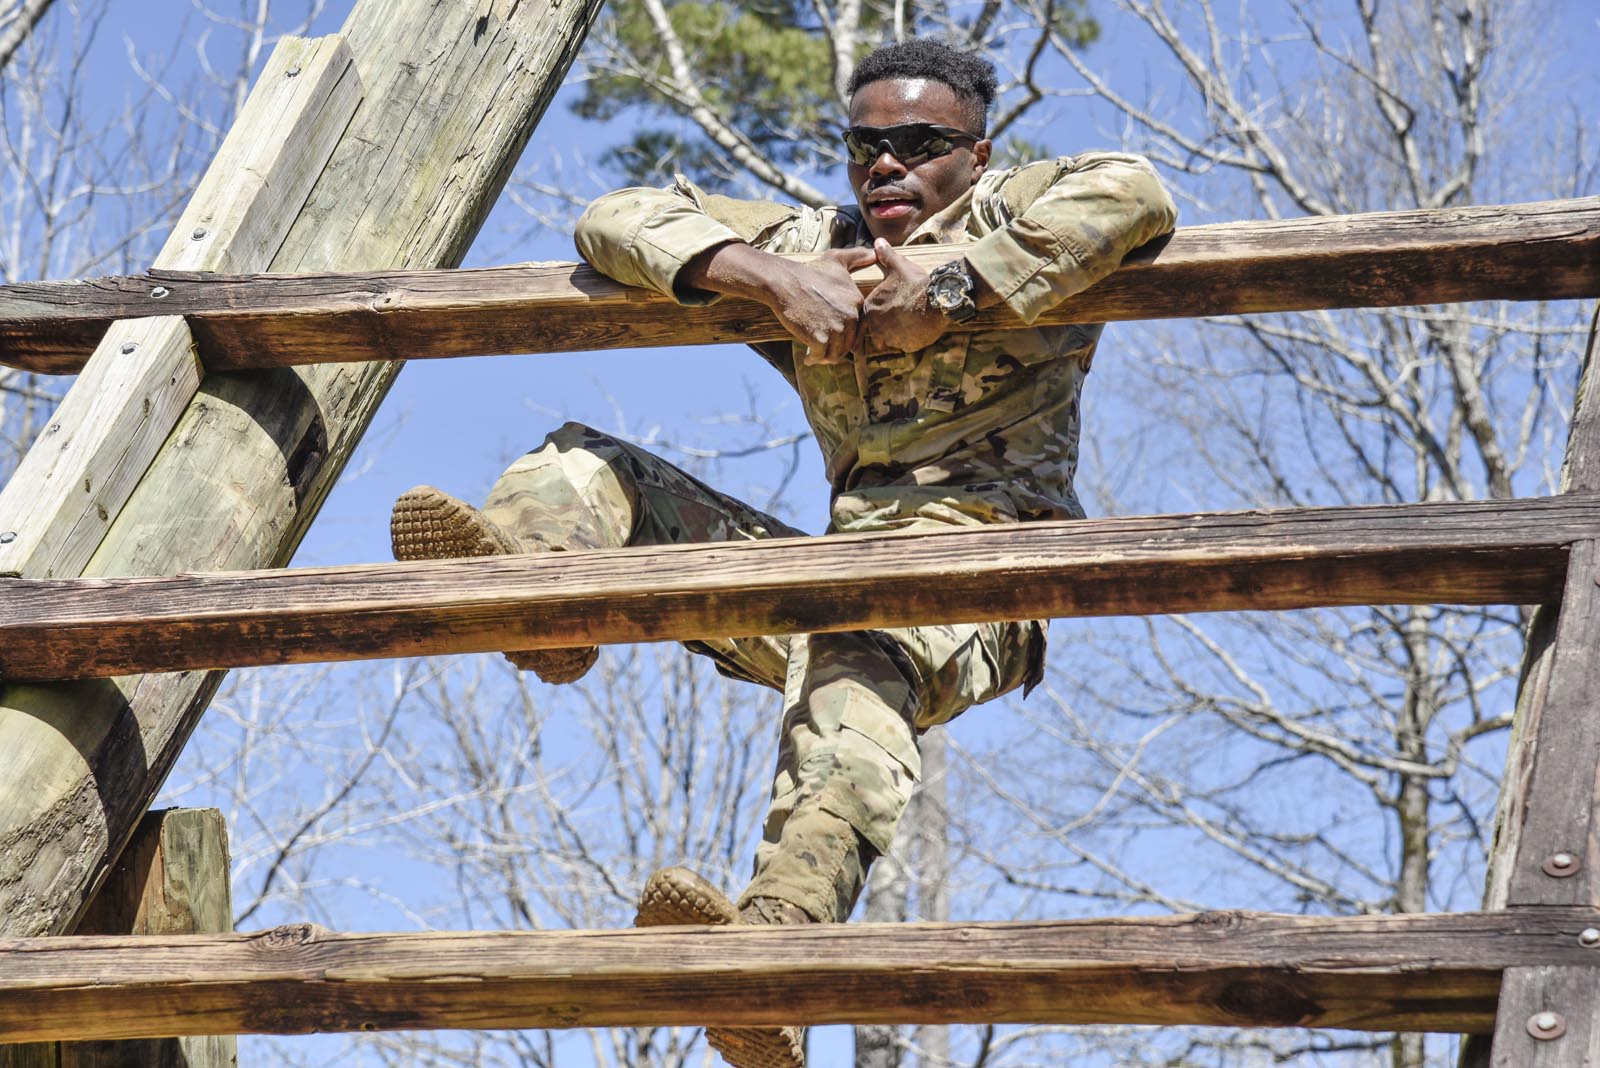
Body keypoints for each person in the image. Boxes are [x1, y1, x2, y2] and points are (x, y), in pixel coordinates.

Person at [390, 37, 1176, 1068]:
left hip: (987, 574)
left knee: (861, 653)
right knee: (589, 461)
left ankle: (773, 964)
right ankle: (541, 604)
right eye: (864, 146)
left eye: (918, 143)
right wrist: (770, 279)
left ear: (976, 155)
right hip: (831, 573)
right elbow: (614, 215)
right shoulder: (819, 244)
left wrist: (944, 295)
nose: (885, 164)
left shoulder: (1012, 212)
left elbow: (1134, 191)